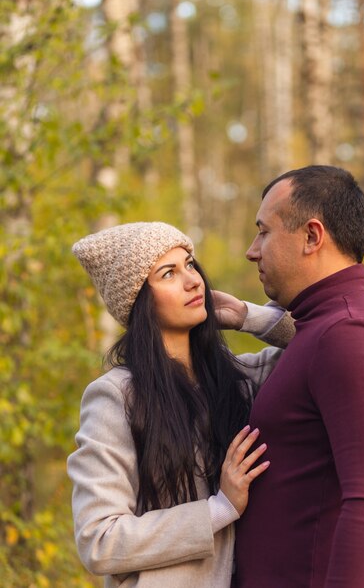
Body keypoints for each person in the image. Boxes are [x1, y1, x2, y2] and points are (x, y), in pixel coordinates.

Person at [67, 221, 294, 588]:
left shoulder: (239, 380)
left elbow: (332, 341)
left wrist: (247, 316)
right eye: (168, 273)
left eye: (190, 264)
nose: (193, 281)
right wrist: (220, 509)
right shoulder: (116, 396)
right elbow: (99, 540)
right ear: (138, 300)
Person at [223, 165, 364, 588]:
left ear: (312, 236)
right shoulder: (325, 328)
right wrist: (244, 317)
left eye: (264, 232)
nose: (252, 251)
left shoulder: (351, 337)